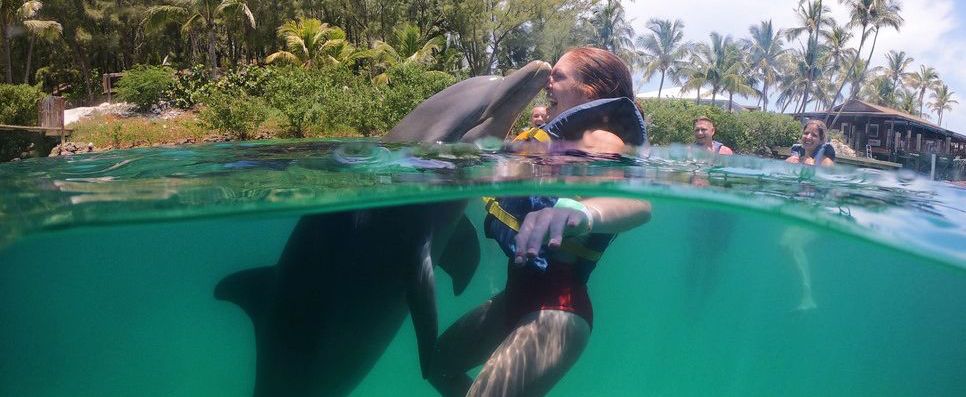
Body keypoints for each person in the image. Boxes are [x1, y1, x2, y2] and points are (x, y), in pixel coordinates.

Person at [429, 47, 652, 397]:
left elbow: (638, 203)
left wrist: (584, 213)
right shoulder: (553, 140)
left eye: (559, 75)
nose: (549, 80)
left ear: (589, 91)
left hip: (558, 309)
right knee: (438, 364)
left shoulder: (601, 139)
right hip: (516, 297)